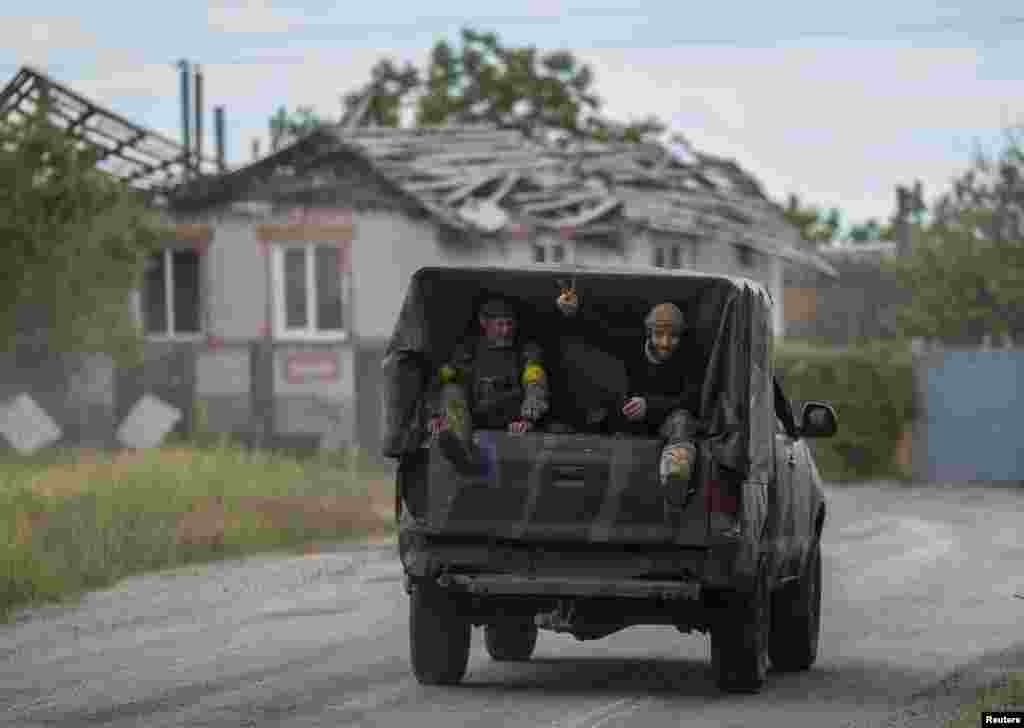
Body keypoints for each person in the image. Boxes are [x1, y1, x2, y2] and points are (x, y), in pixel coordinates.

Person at [556, 286, 702, 490]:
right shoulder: (633, 345)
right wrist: (576, 311)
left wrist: (650, 405)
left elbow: (692, 400)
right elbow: (600, 332)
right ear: (649, 333)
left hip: (669, 423)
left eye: (673, 336)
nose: (666, 343)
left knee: (682, 420)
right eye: (659, 335)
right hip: (633, 425)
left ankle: (676, 477)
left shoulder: (691, 356)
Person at [428, 297, 549, 476]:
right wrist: (435, 415)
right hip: (474, 420)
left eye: (510, 324)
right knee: (451, 390)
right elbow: (438, 383)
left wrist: (527, 419)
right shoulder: (467, 352)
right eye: (500, 325)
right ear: (484, 323)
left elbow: (535, 386)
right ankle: (463, 454)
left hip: (513, 421)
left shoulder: (526, 352)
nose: (506, 331)